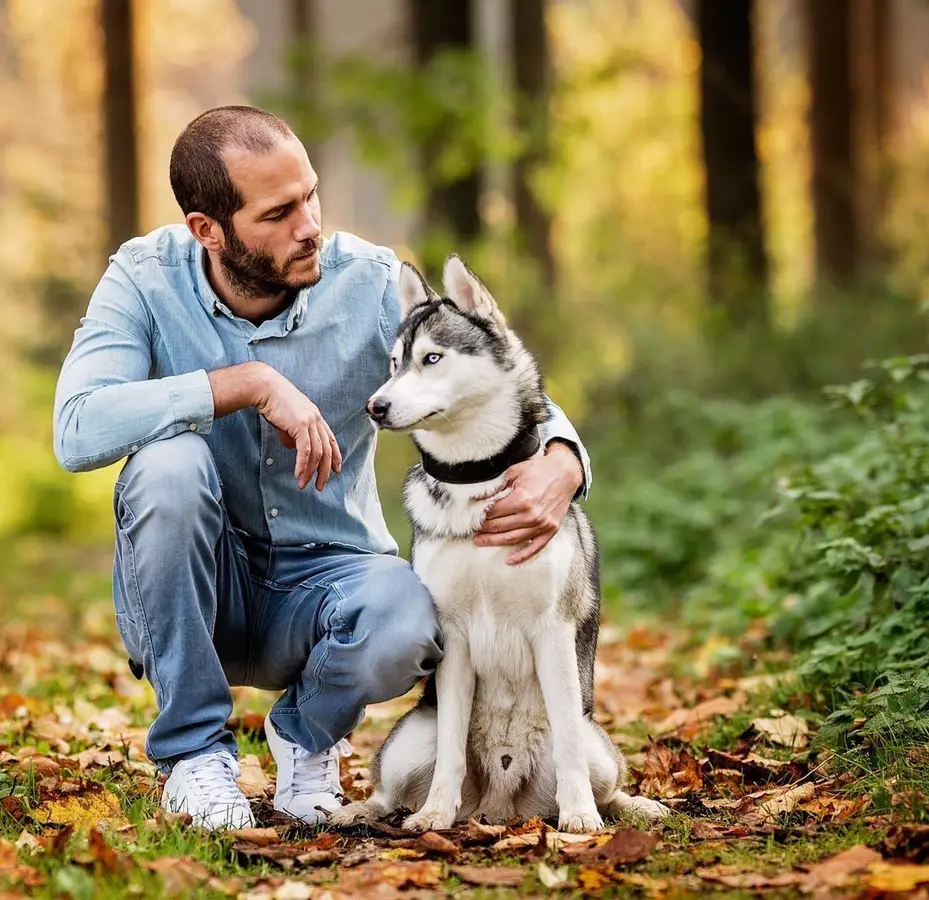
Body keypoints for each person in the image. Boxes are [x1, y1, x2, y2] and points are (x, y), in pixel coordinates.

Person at [53, 106, 592, 830]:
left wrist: (561, 458)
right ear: (208, 231)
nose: (308, 225)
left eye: (309, 196)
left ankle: (304, 738)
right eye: (278, 213)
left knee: (409, 617)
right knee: (168, 467)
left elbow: (482, 374)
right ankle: (192, 756)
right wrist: (243, 383)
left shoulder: (368, 282)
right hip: (198, 590)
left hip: (330, 585)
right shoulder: (145, 280)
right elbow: (77, 427)